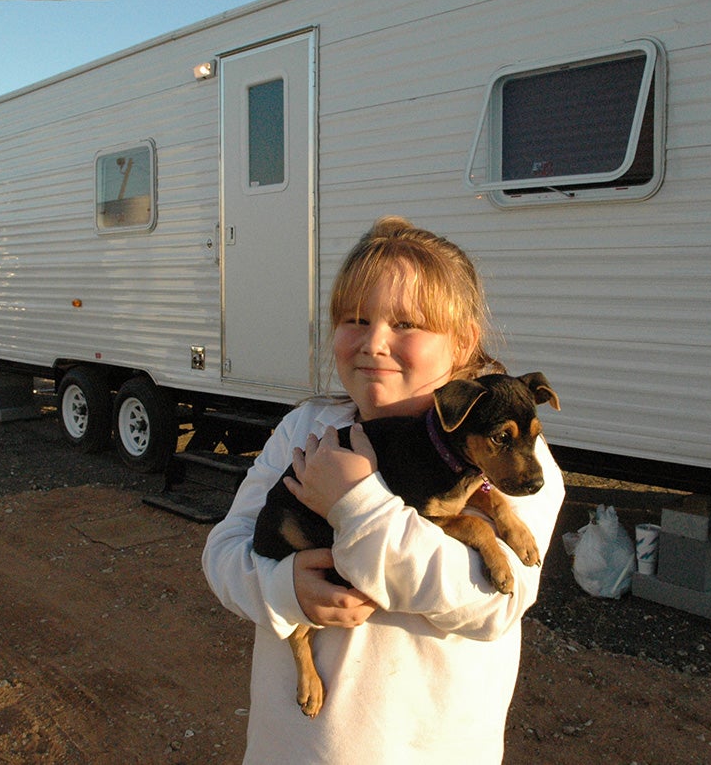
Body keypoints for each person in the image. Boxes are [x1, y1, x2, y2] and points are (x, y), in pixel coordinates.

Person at [202, 216, 566, 764]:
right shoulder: (306, 429)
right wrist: (282, 588)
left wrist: (358, 503)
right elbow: (225, 549)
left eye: (407, 324)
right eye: (354, 319)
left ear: (463, 341)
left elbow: (492, 604)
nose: (375, 342)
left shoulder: (512, 463)